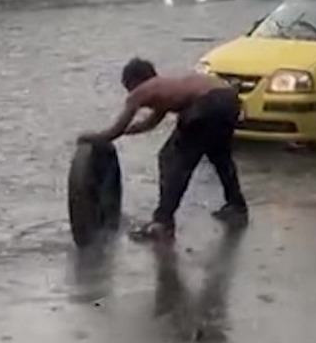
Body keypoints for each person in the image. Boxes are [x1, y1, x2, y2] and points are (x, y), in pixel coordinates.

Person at [78, 58, 249, 241]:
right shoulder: (166, 87)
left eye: (127, 86)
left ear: (132, 82)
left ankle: (162, 223)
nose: (129, 92)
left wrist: (95, 137)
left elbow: (116, 128)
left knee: (173, 159)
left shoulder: (140, 91)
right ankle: (236, 206)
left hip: (206, 104)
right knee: (220, 156)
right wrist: (129, 131)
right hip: (229, 100)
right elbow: (151, 122)